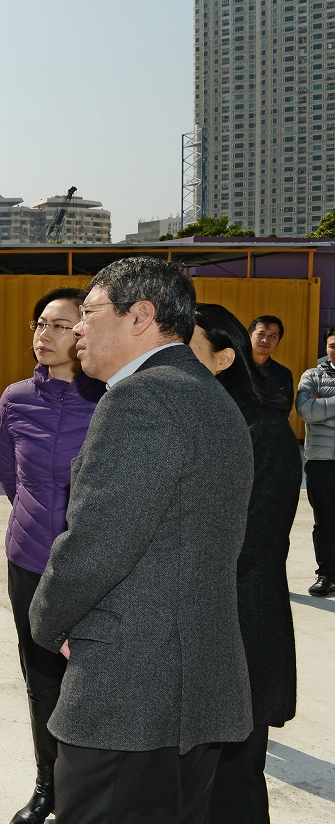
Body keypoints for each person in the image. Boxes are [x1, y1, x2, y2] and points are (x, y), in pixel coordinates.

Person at [28, 256, 254, 824]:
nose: (76, 328)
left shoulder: (139, 401)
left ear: (141, 317)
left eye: (90, 312)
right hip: (192, 686)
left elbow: (96, 544)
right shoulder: (208, 395)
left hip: (130, 693)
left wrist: (47, 619)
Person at [0, 288, 105, 824]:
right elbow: (9, 475)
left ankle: (91, 789)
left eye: (60, 325)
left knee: (96, 677)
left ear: (84, 333)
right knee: (42, 678)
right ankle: (47, 787)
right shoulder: (15, 399)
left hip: (99, 564)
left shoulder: (111, 400)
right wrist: (38, 523)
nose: (45, 335)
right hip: (31, 559)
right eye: (40, 324)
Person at [189, 304, 301, 824]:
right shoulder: (176, 423)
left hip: (239, 632)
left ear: (223, 358)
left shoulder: (266, 434)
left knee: (232, 785)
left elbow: (242, 546)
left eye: (182, 348)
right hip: (186, 633)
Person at [295, 328, 335, 598]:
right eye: (333, 345)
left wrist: (325, 408)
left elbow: (317, 411)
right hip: (322, 462)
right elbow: (306, 410)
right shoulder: (312, 375)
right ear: (326, 347)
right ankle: (326, 574)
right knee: (325, 521)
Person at [248, 315, 294, 416]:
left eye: (272, 336)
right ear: (249, 336)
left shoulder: (283, 373)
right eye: (261, 334)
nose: (265, 340)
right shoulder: (231, 367)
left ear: (278, 343)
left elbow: (285, 408)